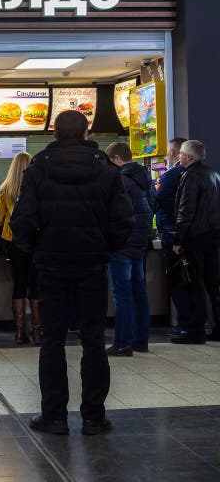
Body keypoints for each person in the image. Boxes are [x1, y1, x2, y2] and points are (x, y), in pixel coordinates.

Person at [11, 110, 132, 436]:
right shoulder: (106, 170)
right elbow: (124, 221)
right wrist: (105, 246)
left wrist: (37, 247)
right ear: (86, 131)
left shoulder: (38, 170)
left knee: (53, 341)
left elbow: (21, 221)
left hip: (51, 265)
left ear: (54, 131)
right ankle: (93, 417)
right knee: (94, 341)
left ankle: (54, 416)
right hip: (93, 264)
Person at [105, 142, 155, 356]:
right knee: (139, 291)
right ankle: (141, 340)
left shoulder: (120, 180)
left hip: (122, 244)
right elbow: (153, 206)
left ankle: (123, 342)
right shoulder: (146, 178)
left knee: (122, 293)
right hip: (140, 242)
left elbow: (113, 212)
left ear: (117, 159)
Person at [172, 140, 220, 344]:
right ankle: (217, 328)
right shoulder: (213, 174)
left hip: (195, 237)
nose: (178, 156)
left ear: (188, 157)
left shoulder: (190, 176)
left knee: (194, 284)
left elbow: (186, 211)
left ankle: (196, 331)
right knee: (213, 284)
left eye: (180, 153)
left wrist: (178, 239)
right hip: (212, 236)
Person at [0, 152, 37, 344]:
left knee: (19, 286)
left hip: (13, 242)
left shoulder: (5, 189)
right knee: (35, 286)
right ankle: (38, 331)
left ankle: (20, 333)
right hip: (36, 242)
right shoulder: (37, 187)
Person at [155, 137, 189, 336]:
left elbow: (160, 198)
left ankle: (183, 324)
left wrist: (173, 217)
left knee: (177, 281)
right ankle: (194, 322)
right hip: (192, 234)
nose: (167, 154)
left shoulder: (172, 175)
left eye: (169, 151)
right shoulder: (205, 174)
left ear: (175, 153)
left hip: (172, 233)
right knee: (192, 281)